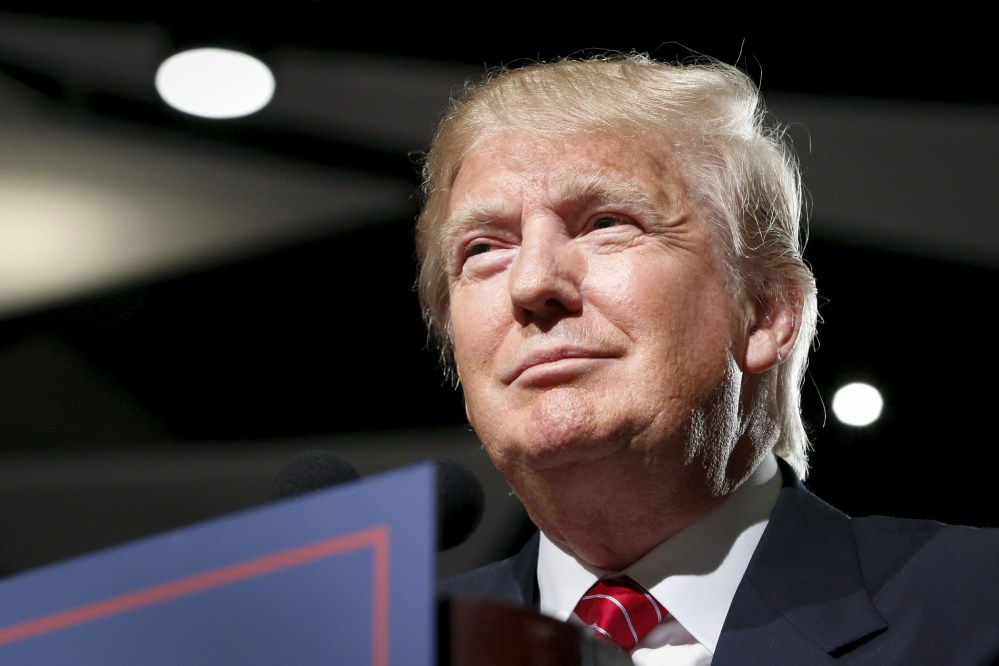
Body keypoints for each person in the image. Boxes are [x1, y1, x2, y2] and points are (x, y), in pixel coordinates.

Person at [414, 52, 999, 665]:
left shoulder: (976, 608)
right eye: (483, 248)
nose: (532, 283)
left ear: (768, 311)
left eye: (606, 222)